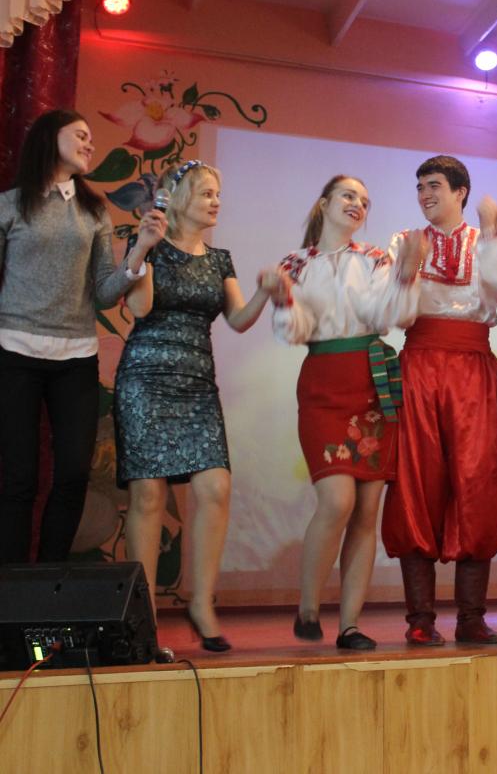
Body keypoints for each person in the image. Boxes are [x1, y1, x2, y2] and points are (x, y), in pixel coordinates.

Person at [116, 160, 285, 652]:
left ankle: (201, 604)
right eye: (207, 193)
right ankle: (143, 618)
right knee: (149, 496)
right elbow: (140, 308)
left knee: (215, 486)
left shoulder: (219, 258)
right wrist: (145, 246)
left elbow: (238, 319)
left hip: (196, 385)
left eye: (218, 194)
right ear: (179, 198)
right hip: (145, 379)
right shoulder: (149, 242)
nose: (216, 202)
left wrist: (265, 292)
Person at [378, 155, 497, 647]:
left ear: (460, 191)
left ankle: (471, 618)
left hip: (472, 370)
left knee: (478, 482)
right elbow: (393, 316)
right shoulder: (405, 242)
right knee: (415, 482)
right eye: (420, 187)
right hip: (419, 365)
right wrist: (406, 272)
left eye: (435, 186)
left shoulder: (486, 242)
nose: (425, 195)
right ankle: (420, 619)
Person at [0, 110, 164, 565]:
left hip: (76, 358)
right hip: (14, 352)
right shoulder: (10, 205)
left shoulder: (94, 211)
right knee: (18, 480)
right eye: (81, 136)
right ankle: (10, 589)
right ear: (49, 138)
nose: (90, 144)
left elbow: (105, 294)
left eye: (91, 138)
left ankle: (50, 583)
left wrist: (140, 249)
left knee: (73, 475)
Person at [274, 175, 425, 651]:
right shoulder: (295, 264)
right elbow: (293, 331)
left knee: (365, 510)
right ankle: (308, 606)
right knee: (337, 500)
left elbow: (392, 317)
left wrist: (406, 274)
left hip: (372, 382)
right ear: (324, 203)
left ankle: (350, 624)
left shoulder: (376, 258)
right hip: (324, 384)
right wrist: (282, 299)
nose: (357, 204)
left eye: (364, 200)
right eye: (348, 196)